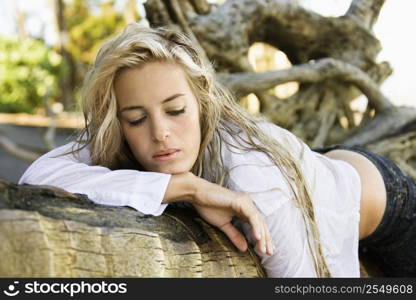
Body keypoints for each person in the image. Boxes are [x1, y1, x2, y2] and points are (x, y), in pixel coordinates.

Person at [19, 24, 415, 277]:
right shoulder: (123, 138)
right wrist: (187, 187)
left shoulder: (258, 182)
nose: (160, 133)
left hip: (388, 203)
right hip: (314, 169)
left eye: (176, 111)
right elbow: (37, 178)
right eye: (136, 119)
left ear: (203, 103)